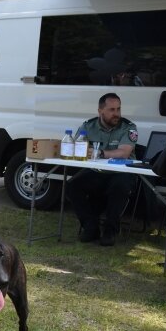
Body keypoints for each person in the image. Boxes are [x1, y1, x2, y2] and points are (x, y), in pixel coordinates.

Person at [65, 92, 138, 246]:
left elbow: (124, 153)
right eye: (112, 110)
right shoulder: (88, 126)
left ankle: (110, 231)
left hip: (122, 172)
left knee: (119, 187)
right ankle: (90, 227)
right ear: (100, 111)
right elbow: (78, 147)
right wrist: (84, 150)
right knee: (73, 185)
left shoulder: (129, 127)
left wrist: (101, 153)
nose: (116, 114)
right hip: (97, 172)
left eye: (118, 109)